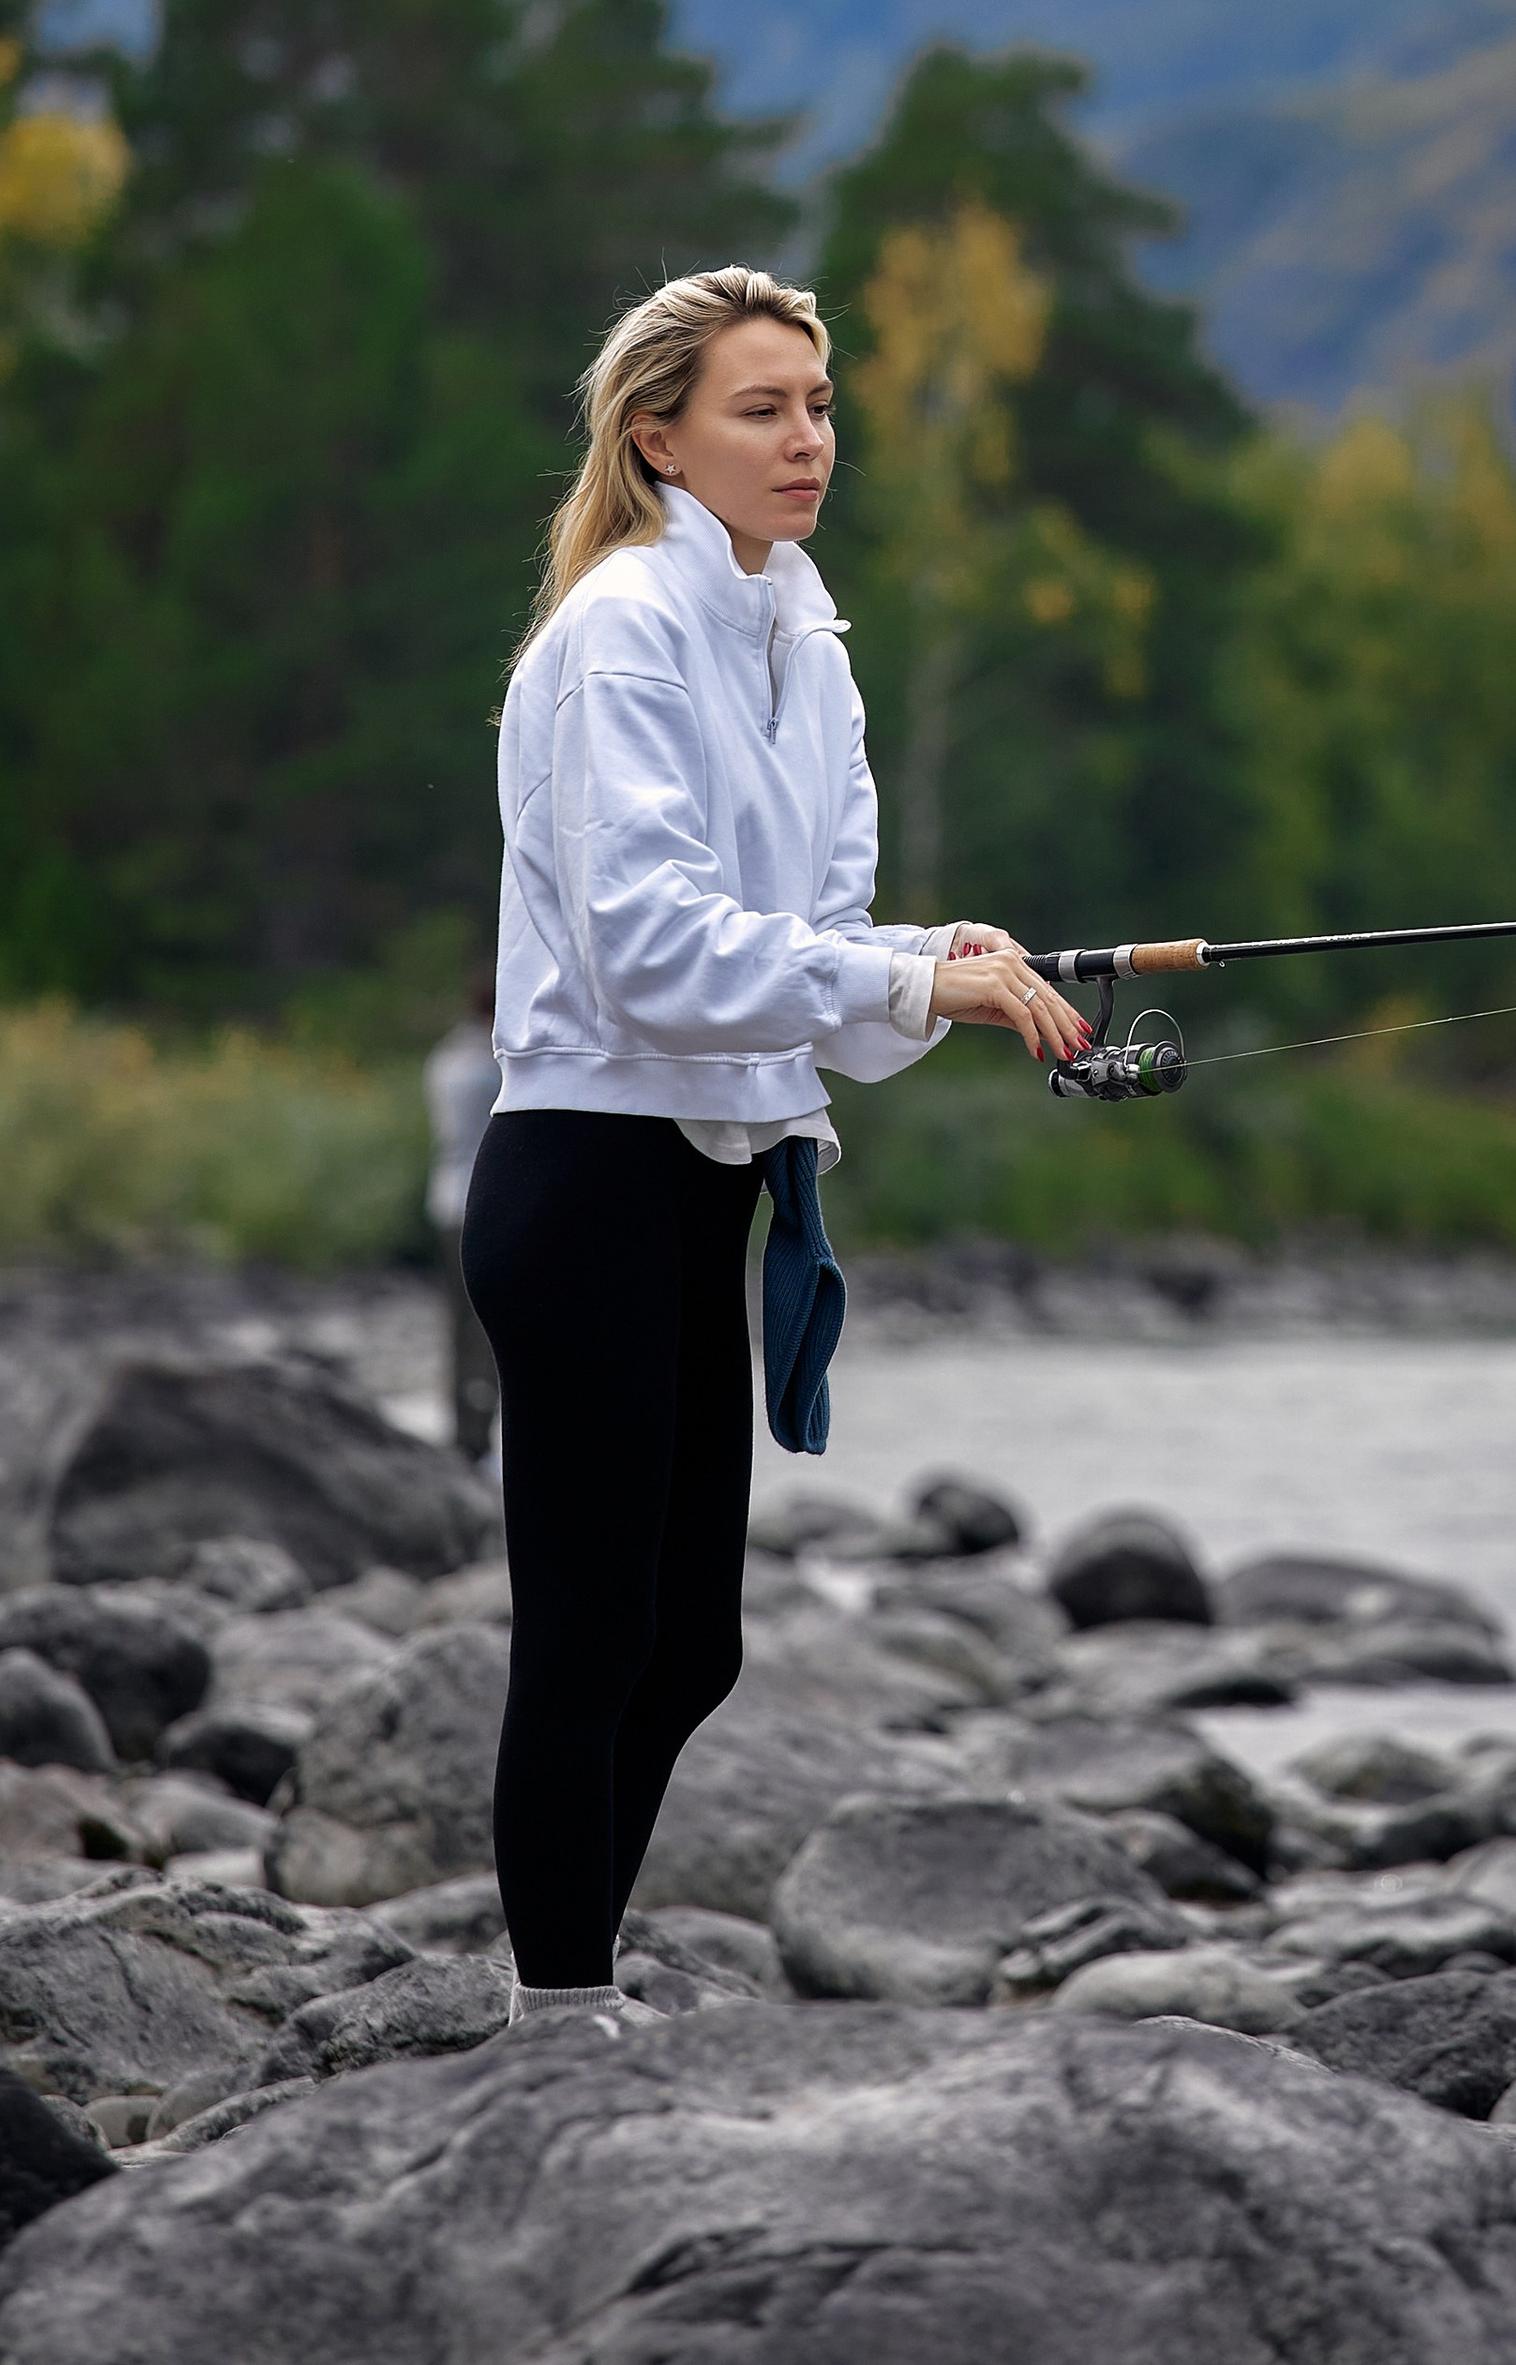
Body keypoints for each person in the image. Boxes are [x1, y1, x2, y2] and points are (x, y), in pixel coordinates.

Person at [466, 262, 1087, 2027]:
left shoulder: (805, 642)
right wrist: (897, 978)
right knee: (592, 1637)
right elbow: (650, 954)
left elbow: (810, 971)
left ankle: (571, 1989)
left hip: (709, 1182)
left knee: (691, 1646)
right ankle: (559, 2019)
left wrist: (934, 964)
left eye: (819, 405)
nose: (808, 438)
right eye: (764, 408)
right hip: (583, 1176)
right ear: (660, 439)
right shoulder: (619, 635)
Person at [420, 977, 502, 1463]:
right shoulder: (492, 1063)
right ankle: (479, 1433)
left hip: (445, 1198)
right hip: (481, 1201)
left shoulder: (444, 1057)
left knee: (458, 1325)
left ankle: (462, 1429)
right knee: (486, 1328)